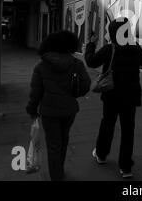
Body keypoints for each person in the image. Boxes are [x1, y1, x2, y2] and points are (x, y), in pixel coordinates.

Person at [85, 17, 142, 179]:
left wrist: (91, 44)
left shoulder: (109, 49)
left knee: (107, 124)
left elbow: (91, 62)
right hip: (130, 97)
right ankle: (126, 167)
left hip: (111, 95)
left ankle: (101, 154)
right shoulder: (134, 48)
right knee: (128, 131)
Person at [26, 31, 91, 181]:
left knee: (53, 144)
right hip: (69, 110)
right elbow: (86, 85)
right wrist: (75, 94)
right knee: (64, 139)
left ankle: (56, 176)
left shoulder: (41, 66)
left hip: (49, 112)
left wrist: (31, 109)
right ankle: (59, 169)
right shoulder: (76, 64)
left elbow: (35, 92)